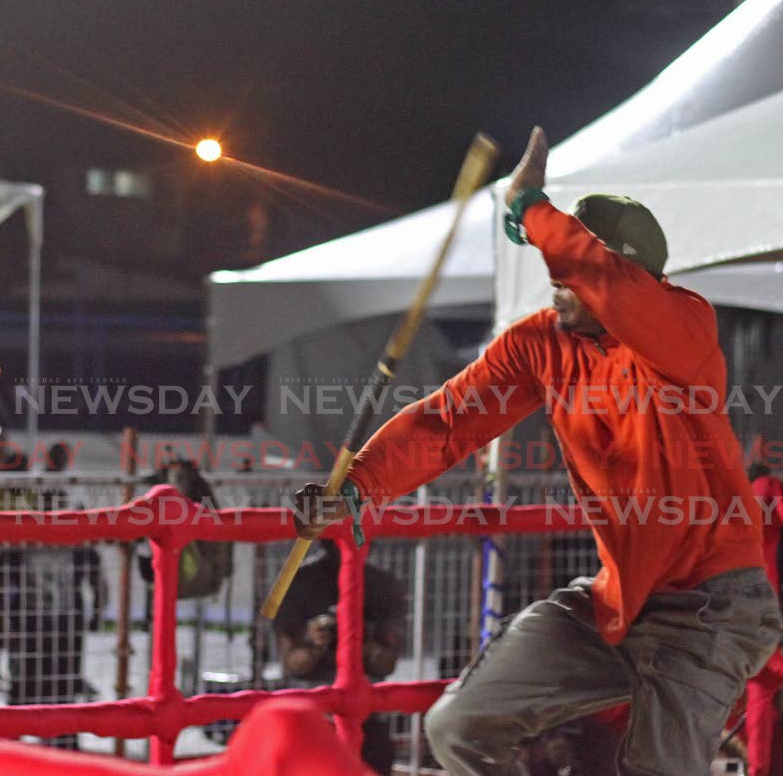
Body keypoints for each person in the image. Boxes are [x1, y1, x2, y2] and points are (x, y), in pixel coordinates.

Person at [294, 127, 779, 776]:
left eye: (570, 271)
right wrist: (358, 487)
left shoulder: (683, 330)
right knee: (458, 725)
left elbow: (610, 282)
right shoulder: (541, 343)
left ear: (626, 276)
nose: (555, 281)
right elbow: (449, 422)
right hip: (616, 600)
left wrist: (531, 207)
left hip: (712, 607)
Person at [0, 442, 106, 748]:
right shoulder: (25, 530)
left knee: (64, 683)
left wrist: (98, 605)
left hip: (64, 619)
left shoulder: (73, 528)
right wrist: (4, 620)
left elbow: (94, 566)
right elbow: (2, 572)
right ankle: (15, 743)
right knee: (24, 684)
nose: (52, 505)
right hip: (32, 618)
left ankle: (63, 742)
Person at [271, 539, 405, 775]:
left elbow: (387, 662)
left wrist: (357, 641)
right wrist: (315, 642)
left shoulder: (382, 585)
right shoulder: (299, 582)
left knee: (376, 748)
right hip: (309, 706)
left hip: (363, 706)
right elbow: (292, 664)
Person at [743, 463, 783, 776]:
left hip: (743, 620)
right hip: (765, 613)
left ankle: (758, 770)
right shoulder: (765, 487)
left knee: (760, 692)